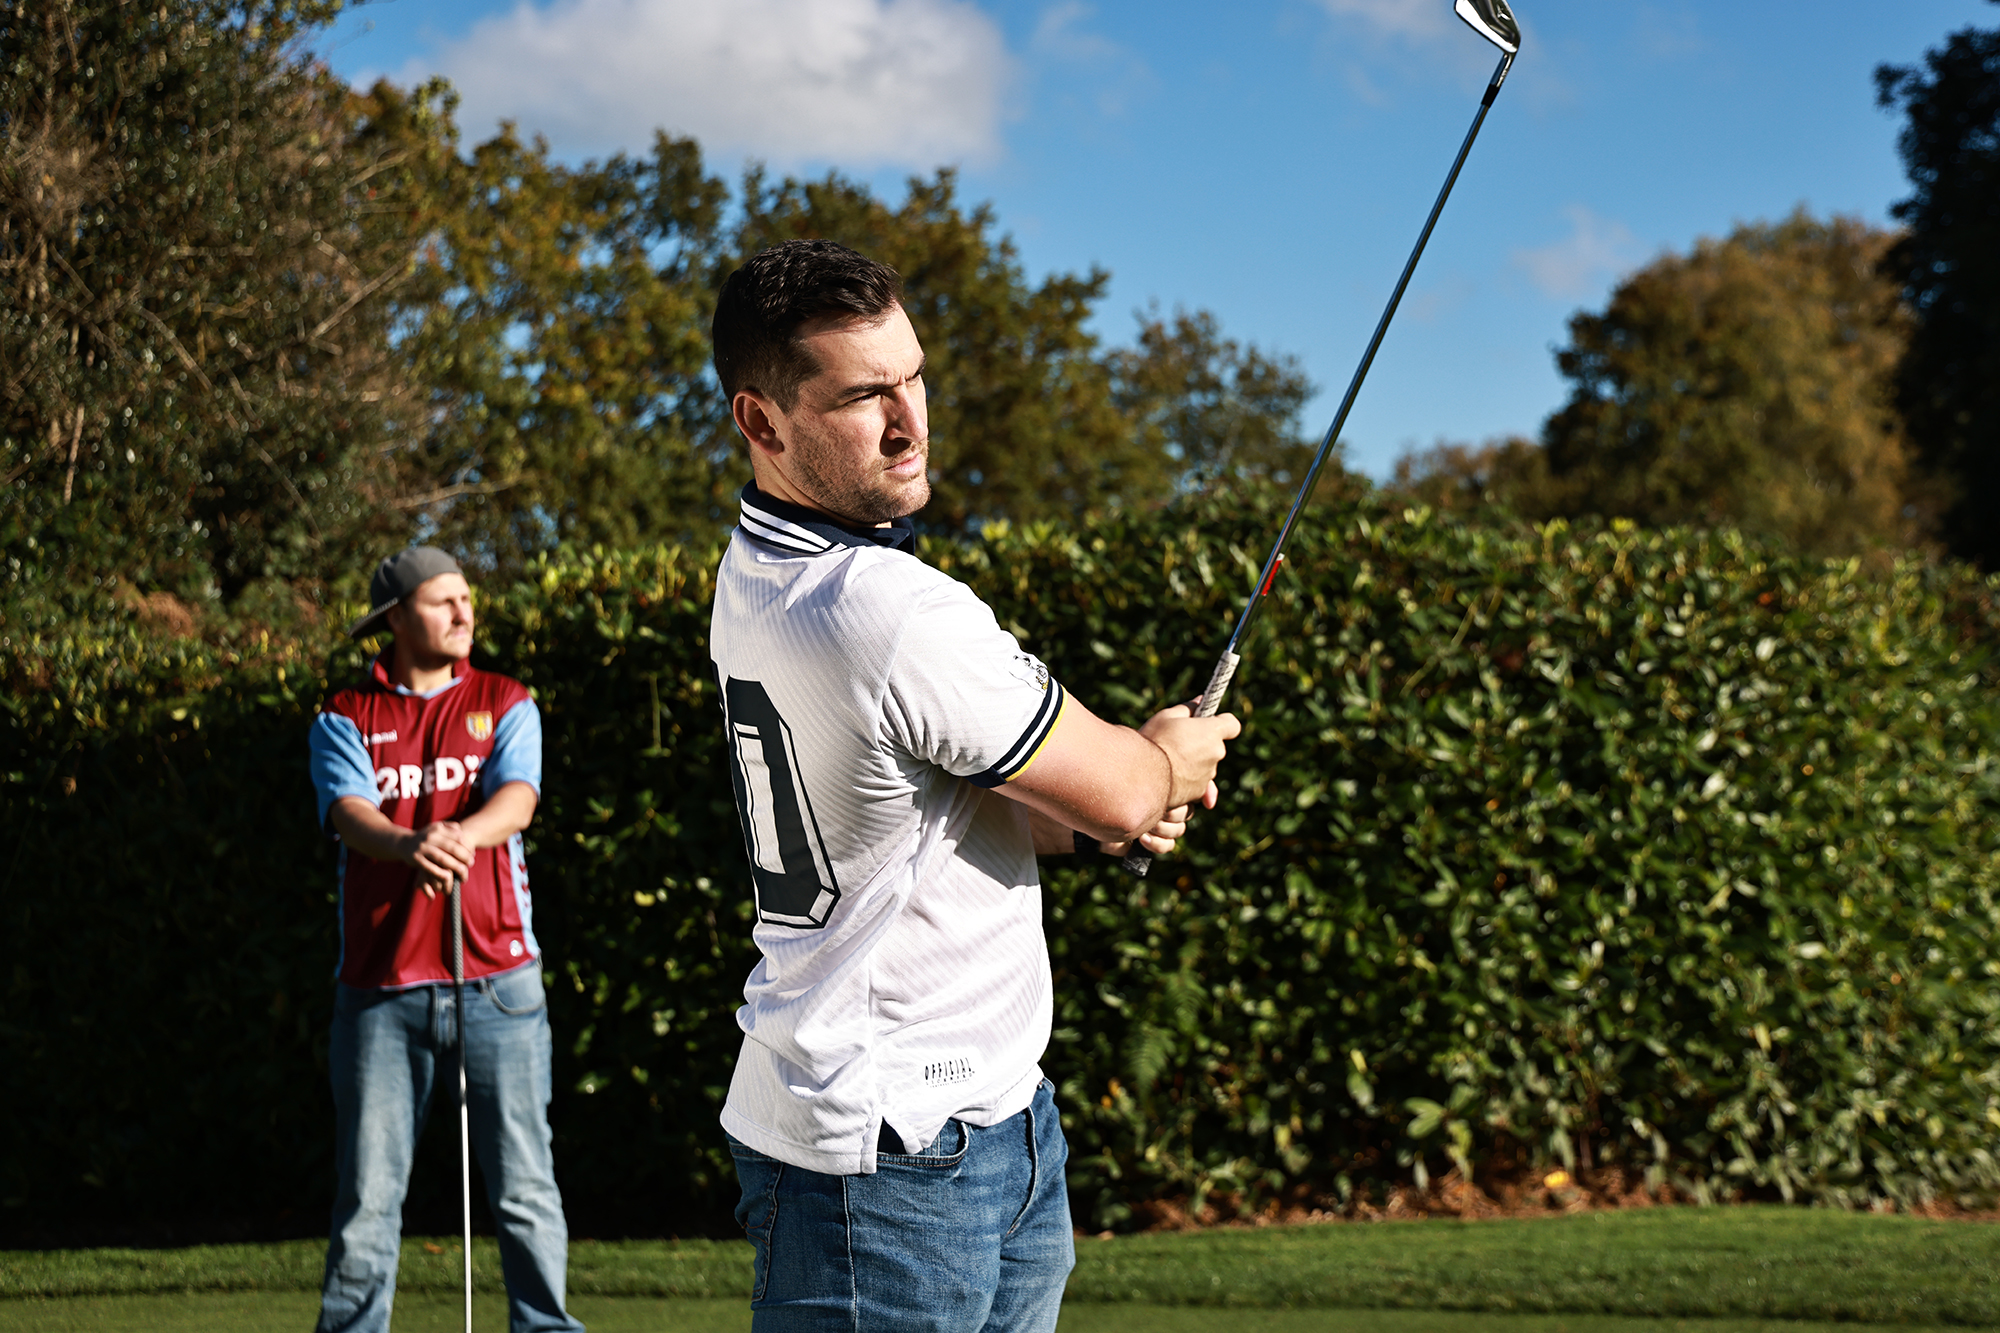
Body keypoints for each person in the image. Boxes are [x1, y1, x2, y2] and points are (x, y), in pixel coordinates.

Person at [708, 238, 1240, 1331]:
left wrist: (1101, 819)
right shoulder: (888, 609)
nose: (908, 420)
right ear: (760, 422)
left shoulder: (756, 569)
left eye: (912, 377)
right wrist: (1163, 761)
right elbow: (1127, 788)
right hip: (892, 1165)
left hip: (980, 1123)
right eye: (863, 396)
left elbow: (933, 809)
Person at [306, 546, 585, 1333]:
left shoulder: (506, 699)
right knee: (368, 1193)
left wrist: (453, 836)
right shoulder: (343, 713)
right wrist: (407, 843)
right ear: (395, 618)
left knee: (526, 1185)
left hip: (498, 980)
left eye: (468, 598)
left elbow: (519, 799)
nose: (465, 612)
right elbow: (350, 811)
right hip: (380, 988)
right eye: (442, 601)